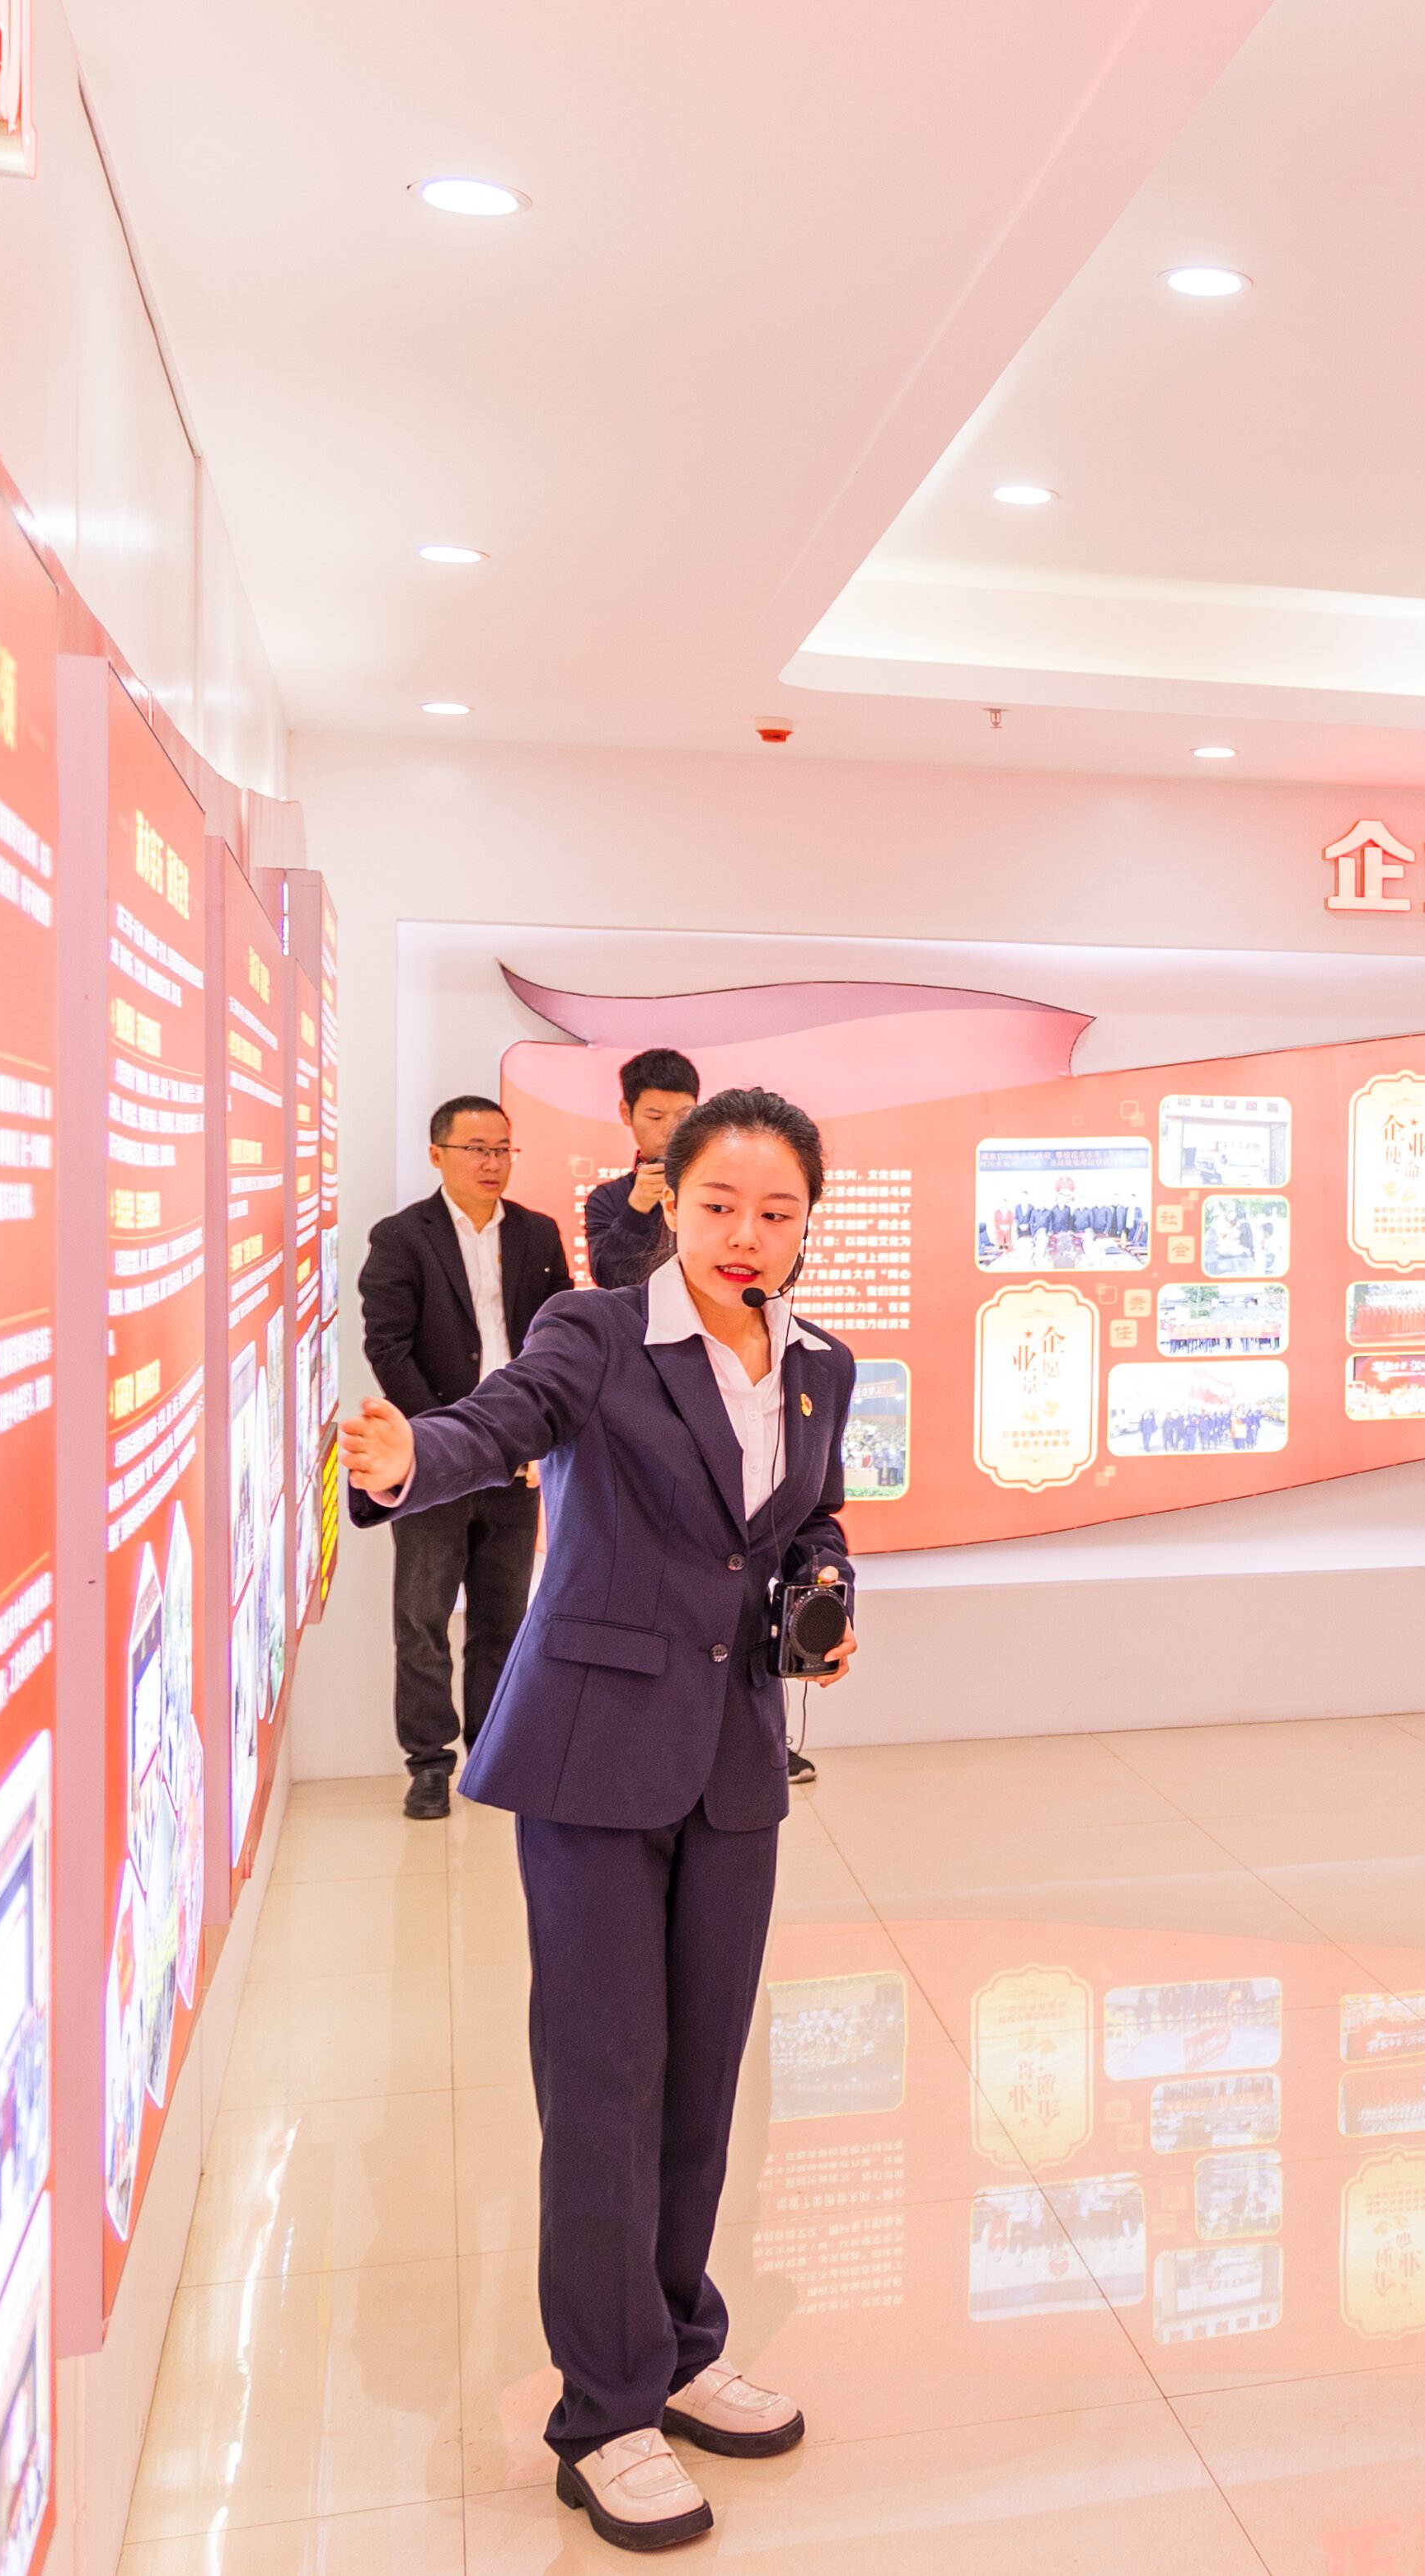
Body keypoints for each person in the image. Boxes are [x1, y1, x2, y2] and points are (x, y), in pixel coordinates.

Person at [340, 1086, 860, 2549]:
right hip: (595, 1756)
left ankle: (681, 2345)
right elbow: (503, 1421)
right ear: (666, 1202)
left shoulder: (821, 1365)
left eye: (776, 1212)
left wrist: (825, 1592)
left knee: (704, 2077)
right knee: (604, 2082)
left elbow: (809, 1518)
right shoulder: (596, 1330)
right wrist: (410, 1458)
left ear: (806, 1223)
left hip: (734, 1756)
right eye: (718, 1206)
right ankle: (603, 2411)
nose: (746, 1236)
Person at [358, 1095, 574, 1820]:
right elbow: (388, 1346)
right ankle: (428, 1761)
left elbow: (558, 1340)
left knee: (502, 1616)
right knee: (422, 1618)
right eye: (476, 1148)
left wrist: (534, 1433)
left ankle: (493, 1748)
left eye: (503, 1149)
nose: (492, 1162)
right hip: (430, 1461)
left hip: (517, 1460)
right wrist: (444, 1441)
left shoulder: (537, 1233)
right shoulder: (401, 1237)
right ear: (437, 1155)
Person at [582, 1047, 701, 1290]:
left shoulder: (714, 1186)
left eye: (684, 1116)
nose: (671, 1130)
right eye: (655, 1117)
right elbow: (609, 1280)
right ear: (626, 1113)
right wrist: (636, 1210)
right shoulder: (608, 1199)